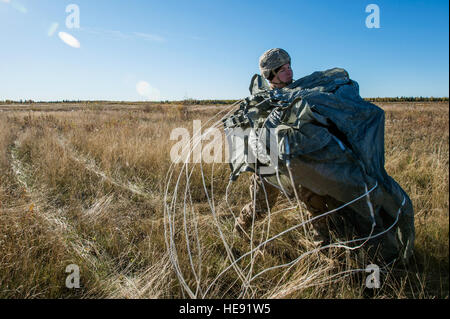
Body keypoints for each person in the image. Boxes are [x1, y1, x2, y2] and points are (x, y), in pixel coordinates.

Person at [235, 48, 332, 244]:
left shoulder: (299, 93)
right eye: (282, 70)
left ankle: (325, 254)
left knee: (317, 206)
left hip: (298, 162)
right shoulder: (260, 103)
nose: (289, 72)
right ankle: (241, 228)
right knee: (261, 207)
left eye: (289, 67)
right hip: (268, 167)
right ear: (271, 75)